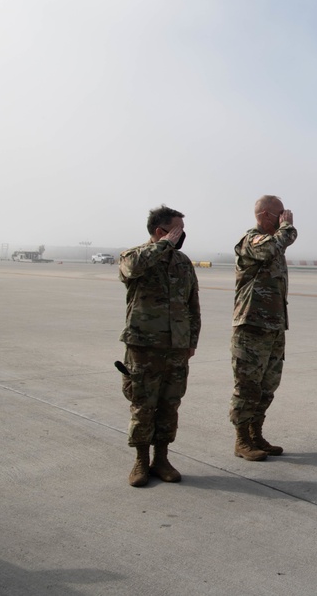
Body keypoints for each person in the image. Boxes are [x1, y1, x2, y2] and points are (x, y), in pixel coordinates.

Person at [118, 205, 201, 487]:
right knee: (143, 405)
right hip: (144, 346)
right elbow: (131, 269)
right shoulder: (135, 256)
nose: (182, 235)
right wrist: (162, 246)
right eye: (177, 229)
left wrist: (192, 341)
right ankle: (141, 461)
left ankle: (162, 459)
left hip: (176, 348)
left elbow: (193, 305)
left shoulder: (183, 262)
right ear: (160, 231)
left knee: (170, 405)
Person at [229, 195, 297, 460]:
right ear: (265, 216)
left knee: (268, 384)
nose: (284, 218)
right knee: (247, 385)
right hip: (251, 326)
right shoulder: (252, 240)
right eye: (280, 214)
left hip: (274, 326)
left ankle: (256, 434)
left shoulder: (274, 243)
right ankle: (242, 440)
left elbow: (277, 246)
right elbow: (272, 246)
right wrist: (288, 227)